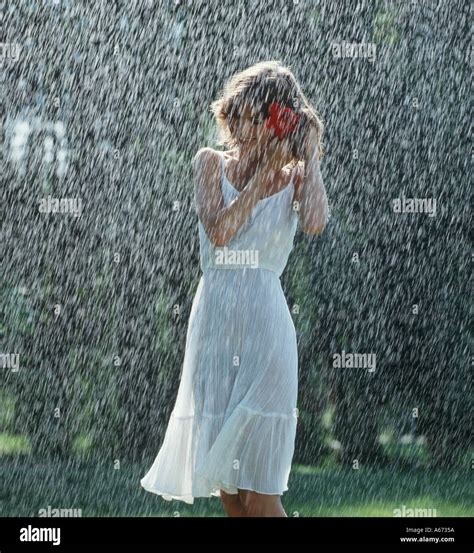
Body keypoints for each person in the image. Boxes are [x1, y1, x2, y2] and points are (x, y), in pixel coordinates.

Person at [141, 60, 329, 517]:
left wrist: (310, 157)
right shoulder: (209, 163)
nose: (240, 125)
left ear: (274, 120)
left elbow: (316, 222)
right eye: (237, 113)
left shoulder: (295, 177)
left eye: (253, 115)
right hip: (214, 330)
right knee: (231, 493)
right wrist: (260, 181)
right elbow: (220, 233)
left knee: (262, 495)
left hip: (266, 332)